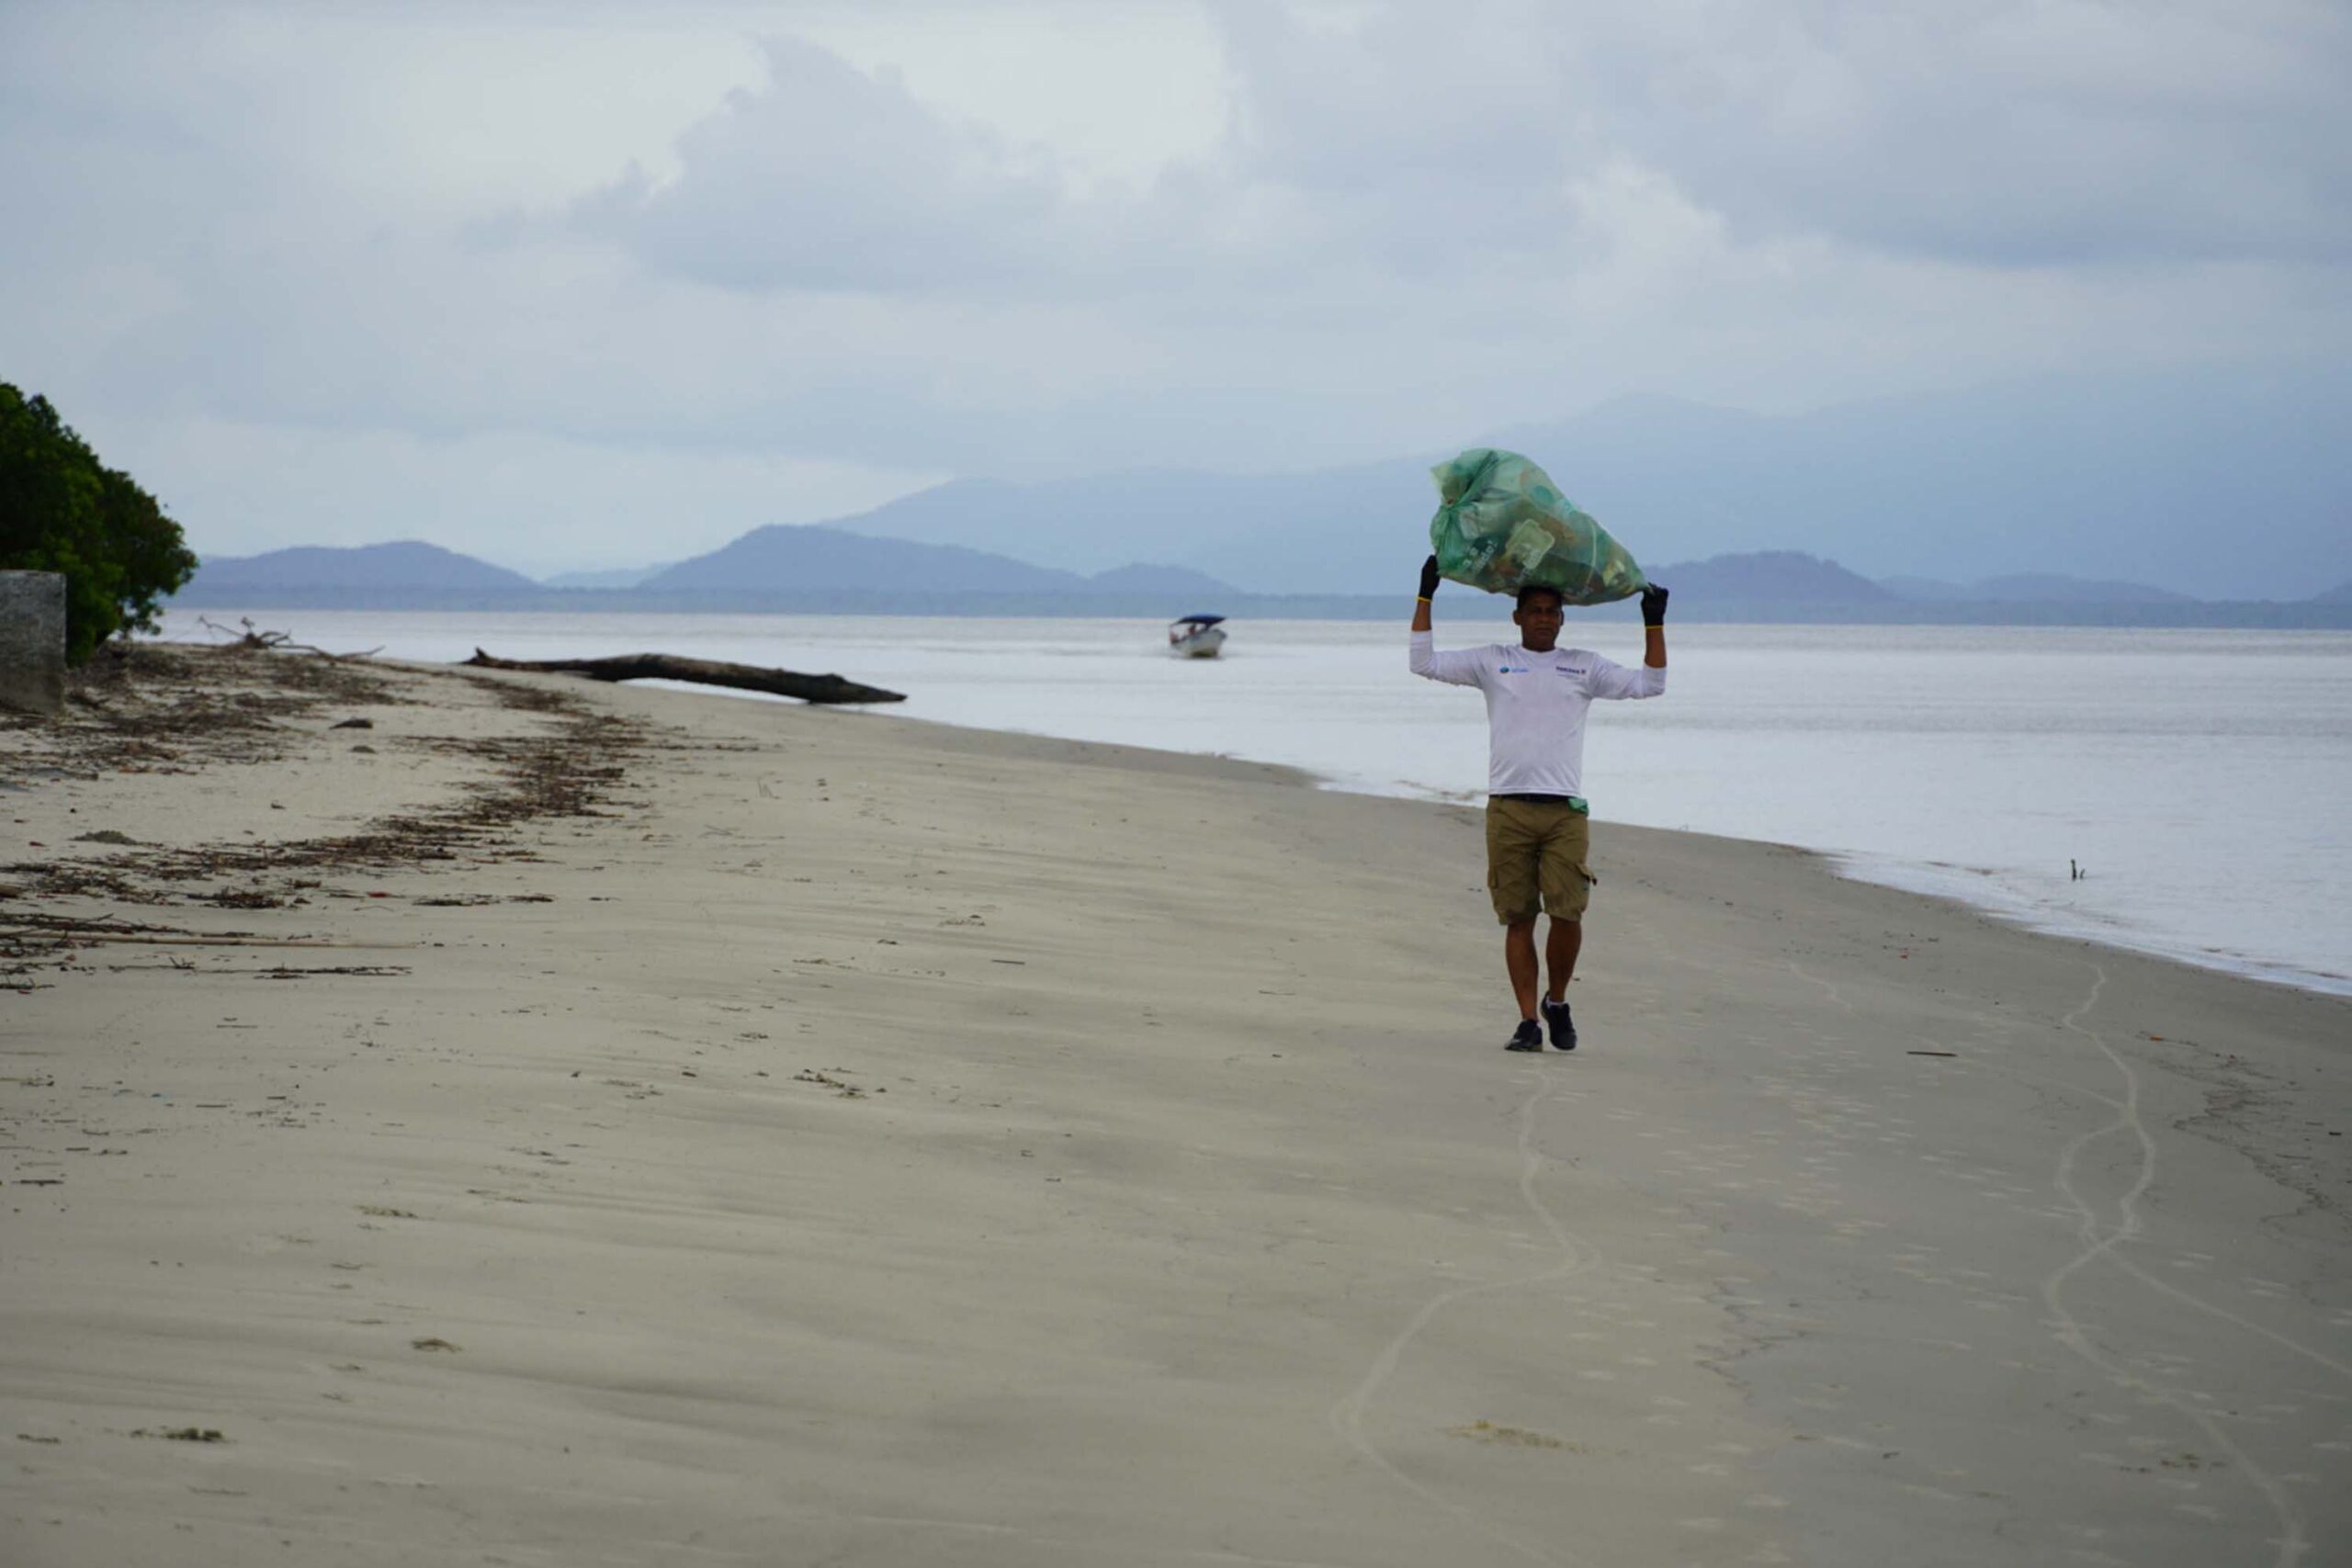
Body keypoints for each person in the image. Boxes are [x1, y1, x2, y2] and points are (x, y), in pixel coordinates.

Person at [1410, 555, 1668, 1051]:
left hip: (1564, 812)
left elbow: (1650, 684)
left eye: (1552, 612)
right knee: (1518, 918)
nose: (1544, 619)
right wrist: (1426, 596)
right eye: (1536, 611)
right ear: (1518, 616)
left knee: (1568, 914)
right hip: (1507, 809)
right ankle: (1528, 1021)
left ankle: (1558, 1000)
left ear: (1563, 619)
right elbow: (1424, 663)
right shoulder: (1493, 661)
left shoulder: (1584, 666)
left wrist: (1653, 622)